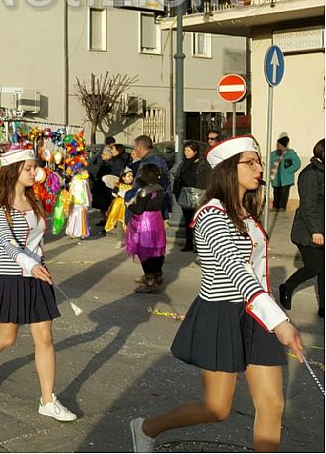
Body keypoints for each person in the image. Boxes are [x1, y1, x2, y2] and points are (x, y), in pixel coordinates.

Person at [131, 135, 305, 453]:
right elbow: (235, 269)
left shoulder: (245, 212)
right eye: (250, 162)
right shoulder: (211, 215)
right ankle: (146, 428)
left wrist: (274, 316)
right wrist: (279, 320)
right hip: (222, 313)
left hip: (256, 313)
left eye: (258, 162)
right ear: (228, 168)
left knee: (272, 404)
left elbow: (255, 271)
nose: (259, 169)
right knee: (216, 408)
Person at [0, 149, 77, 421]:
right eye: (28, 168)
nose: (33, 172)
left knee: (45, 337)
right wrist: (30, 264)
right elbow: (6, 243)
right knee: (7, 337)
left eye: (34, 167)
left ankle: (47, 400)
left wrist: (40, 261)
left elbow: (37, 239)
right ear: (13, 170)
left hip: (36, 275)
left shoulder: (34, 200)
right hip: (9, 276)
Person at [281, 138, 324, 318]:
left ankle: (323, 306)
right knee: (315, 267)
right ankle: (287, 287)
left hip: (321, 228)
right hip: (308, 231)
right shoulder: (311, 174)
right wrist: (316, 231)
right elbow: (307, 206)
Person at [125, 164, 169, 294]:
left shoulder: (144, 192)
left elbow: (138, 209)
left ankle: (150, 280)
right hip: (157, 219)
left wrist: (129, 205)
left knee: (144, 251)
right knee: (157, 249)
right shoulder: (160, 189)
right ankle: (158, 274)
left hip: (145, 221)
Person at [173, 141, 210, 252]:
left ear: (195, 151)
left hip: (198, 195)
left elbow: (207, 179)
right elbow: (178, 177)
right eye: (185, 150)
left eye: (189, 150)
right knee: (188, 221)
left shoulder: (202, 164)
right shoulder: (183, 163)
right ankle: (189, 243)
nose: (186, 153)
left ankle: (199, 244)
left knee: (198, 221)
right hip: (185, 195)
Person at [268, 133, 300, 212]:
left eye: (279, 144)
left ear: (283, 145)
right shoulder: (273, 154)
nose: (277, 146)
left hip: (286, 178)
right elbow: (271, 164)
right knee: (276, 192)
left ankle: (282, 207)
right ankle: (275, 206)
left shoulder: (290, 153)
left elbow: (297, 163)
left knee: (284, 193)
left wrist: (289, 170)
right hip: (276, 177)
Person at [104, 168, 135, 237]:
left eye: (132, 176)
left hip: (129, 204)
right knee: (120, 221)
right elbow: (114, 193)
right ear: (123, 178)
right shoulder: (119, 185)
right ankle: (120, 238)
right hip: (119, 205)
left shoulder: (133, 186)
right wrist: (117, 192)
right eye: (128, 176)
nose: (131, 178)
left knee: (129, 221)